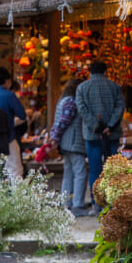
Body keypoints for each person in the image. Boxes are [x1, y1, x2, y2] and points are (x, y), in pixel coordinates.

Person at [75, 60, 125, 211]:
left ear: (90, 72)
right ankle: (113, 201)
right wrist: (110, 126)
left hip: (92, 134)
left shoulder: (82, 88)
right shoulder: (115, 86)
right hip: (112, 133)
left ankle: (96, 203)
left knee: (95, 169)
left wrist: (96, 126)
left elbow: (82, 109)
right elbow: (120, 107)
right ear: (105, 71)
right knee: (112, 168)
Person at [49, 79, 89, 215]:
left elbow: (57, 122)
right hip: (73, 142)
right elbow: (63, 121)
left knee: (68, 173)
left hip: (66, 143)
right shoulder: (72, 102)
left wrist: (54, 137)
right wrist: (55, 137)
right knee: (80, 173)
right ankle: (78, 204)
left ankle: (65, 203)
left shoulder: (62, 101)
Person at [0, 67, 26, 179]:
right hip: (8, 137)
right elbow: (22, 115)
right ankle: (16, 191)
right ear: (7, 80)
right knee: (15, 170)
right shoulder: (9, 95)